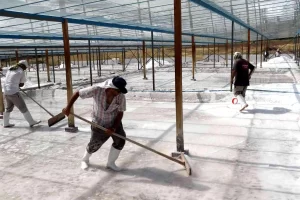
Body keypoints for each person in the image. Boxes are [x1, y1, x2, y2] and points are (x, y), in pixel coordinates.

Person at [63, 76, 127, 171]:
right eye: (117, 91)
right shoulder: (97, 89)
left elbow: (120, 112)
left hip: (114, 122)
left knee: (120, 140)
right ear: (111, 88)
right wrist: (68, 108)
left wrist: (113, 128)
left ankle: (110, 163)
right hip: (99, 123)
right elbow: (78, 93)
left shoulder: (120, 96)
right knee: (94, 145)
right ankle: (85, 160)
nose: (119, 93)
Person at [2, 60, 41, 128]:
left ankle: (5, 123)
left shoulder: (10, 69)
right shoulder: (21, 71)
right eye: (25, 67)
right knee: (23, 107)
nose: (25, 69)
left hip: (6, 92)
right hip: (13, 92)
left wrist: (16, 83)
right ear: (23, 66)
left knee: (8, 108)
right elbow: (22, 84)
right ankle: (31, 122)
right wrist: (18, 84)